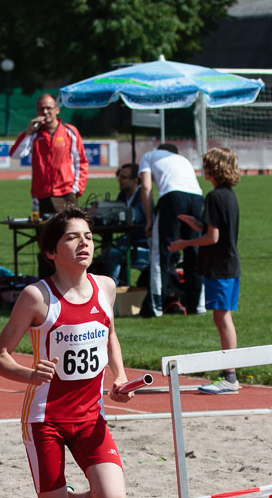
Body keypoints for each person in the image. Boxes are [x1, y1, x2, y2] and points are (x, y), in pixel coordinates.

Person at [0, 207, 131, 498]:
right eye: (72, 237)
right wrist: (28, 373)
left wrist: (119, 376)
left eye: (88, 236)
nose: (84, 243)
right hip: (45, 419)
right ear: (51, 251)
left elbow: (108, 334)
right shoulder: (37, 297)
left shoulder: (105, 287)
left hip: (90, 417)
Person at [169, 147, 241, 395]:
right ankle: (230, 374)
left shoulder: (213, 197)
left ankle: (229, 376)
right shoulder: (228, 195)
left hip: (219, 266)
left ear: (215, 169)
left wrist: (184, 243)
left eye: (207, 165)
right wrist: (197, 224)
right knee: (223, 317)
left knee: (222, 318)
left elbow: (213, 237)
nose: (203, 169)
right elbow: (216, 230)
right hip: (229, 264)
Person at [139, 143, 203, 316]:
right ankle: (197, 304)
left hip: (172, 196)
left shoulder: (149, 156)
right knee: (194, 250)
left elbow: (146, 187)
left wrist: (149, 219)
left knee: (161, 252)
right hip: (197, 196)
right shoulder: (183, 160)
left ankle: (156, 305)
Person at [9, 94, 89, 216]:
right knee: (44, 228)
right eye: (42, 109)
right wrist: (28, 132)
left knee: (67, 227)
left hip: (66, 194)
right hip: (42, 195)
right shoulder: (34, 134)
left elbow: (81, 162)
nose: (45, 112)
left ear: (57, 110)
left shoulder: (70, 132)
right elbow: (15, 154)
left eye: (48, 108)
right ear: (37, 111)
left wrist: (76, 189)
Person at [99, 163, 149, 285]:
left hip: (141, 245)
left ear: (135, 181)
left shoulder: (142, 196)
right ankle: (119, 285)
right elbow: (112, 218)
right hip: (126, 244)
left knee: (112, 254)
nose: (119, 180)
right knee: (101, 257)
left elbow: (134, 217)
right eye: (119, 176)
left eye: (123, 177)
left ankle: (114, 288)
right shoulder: (123, 195)